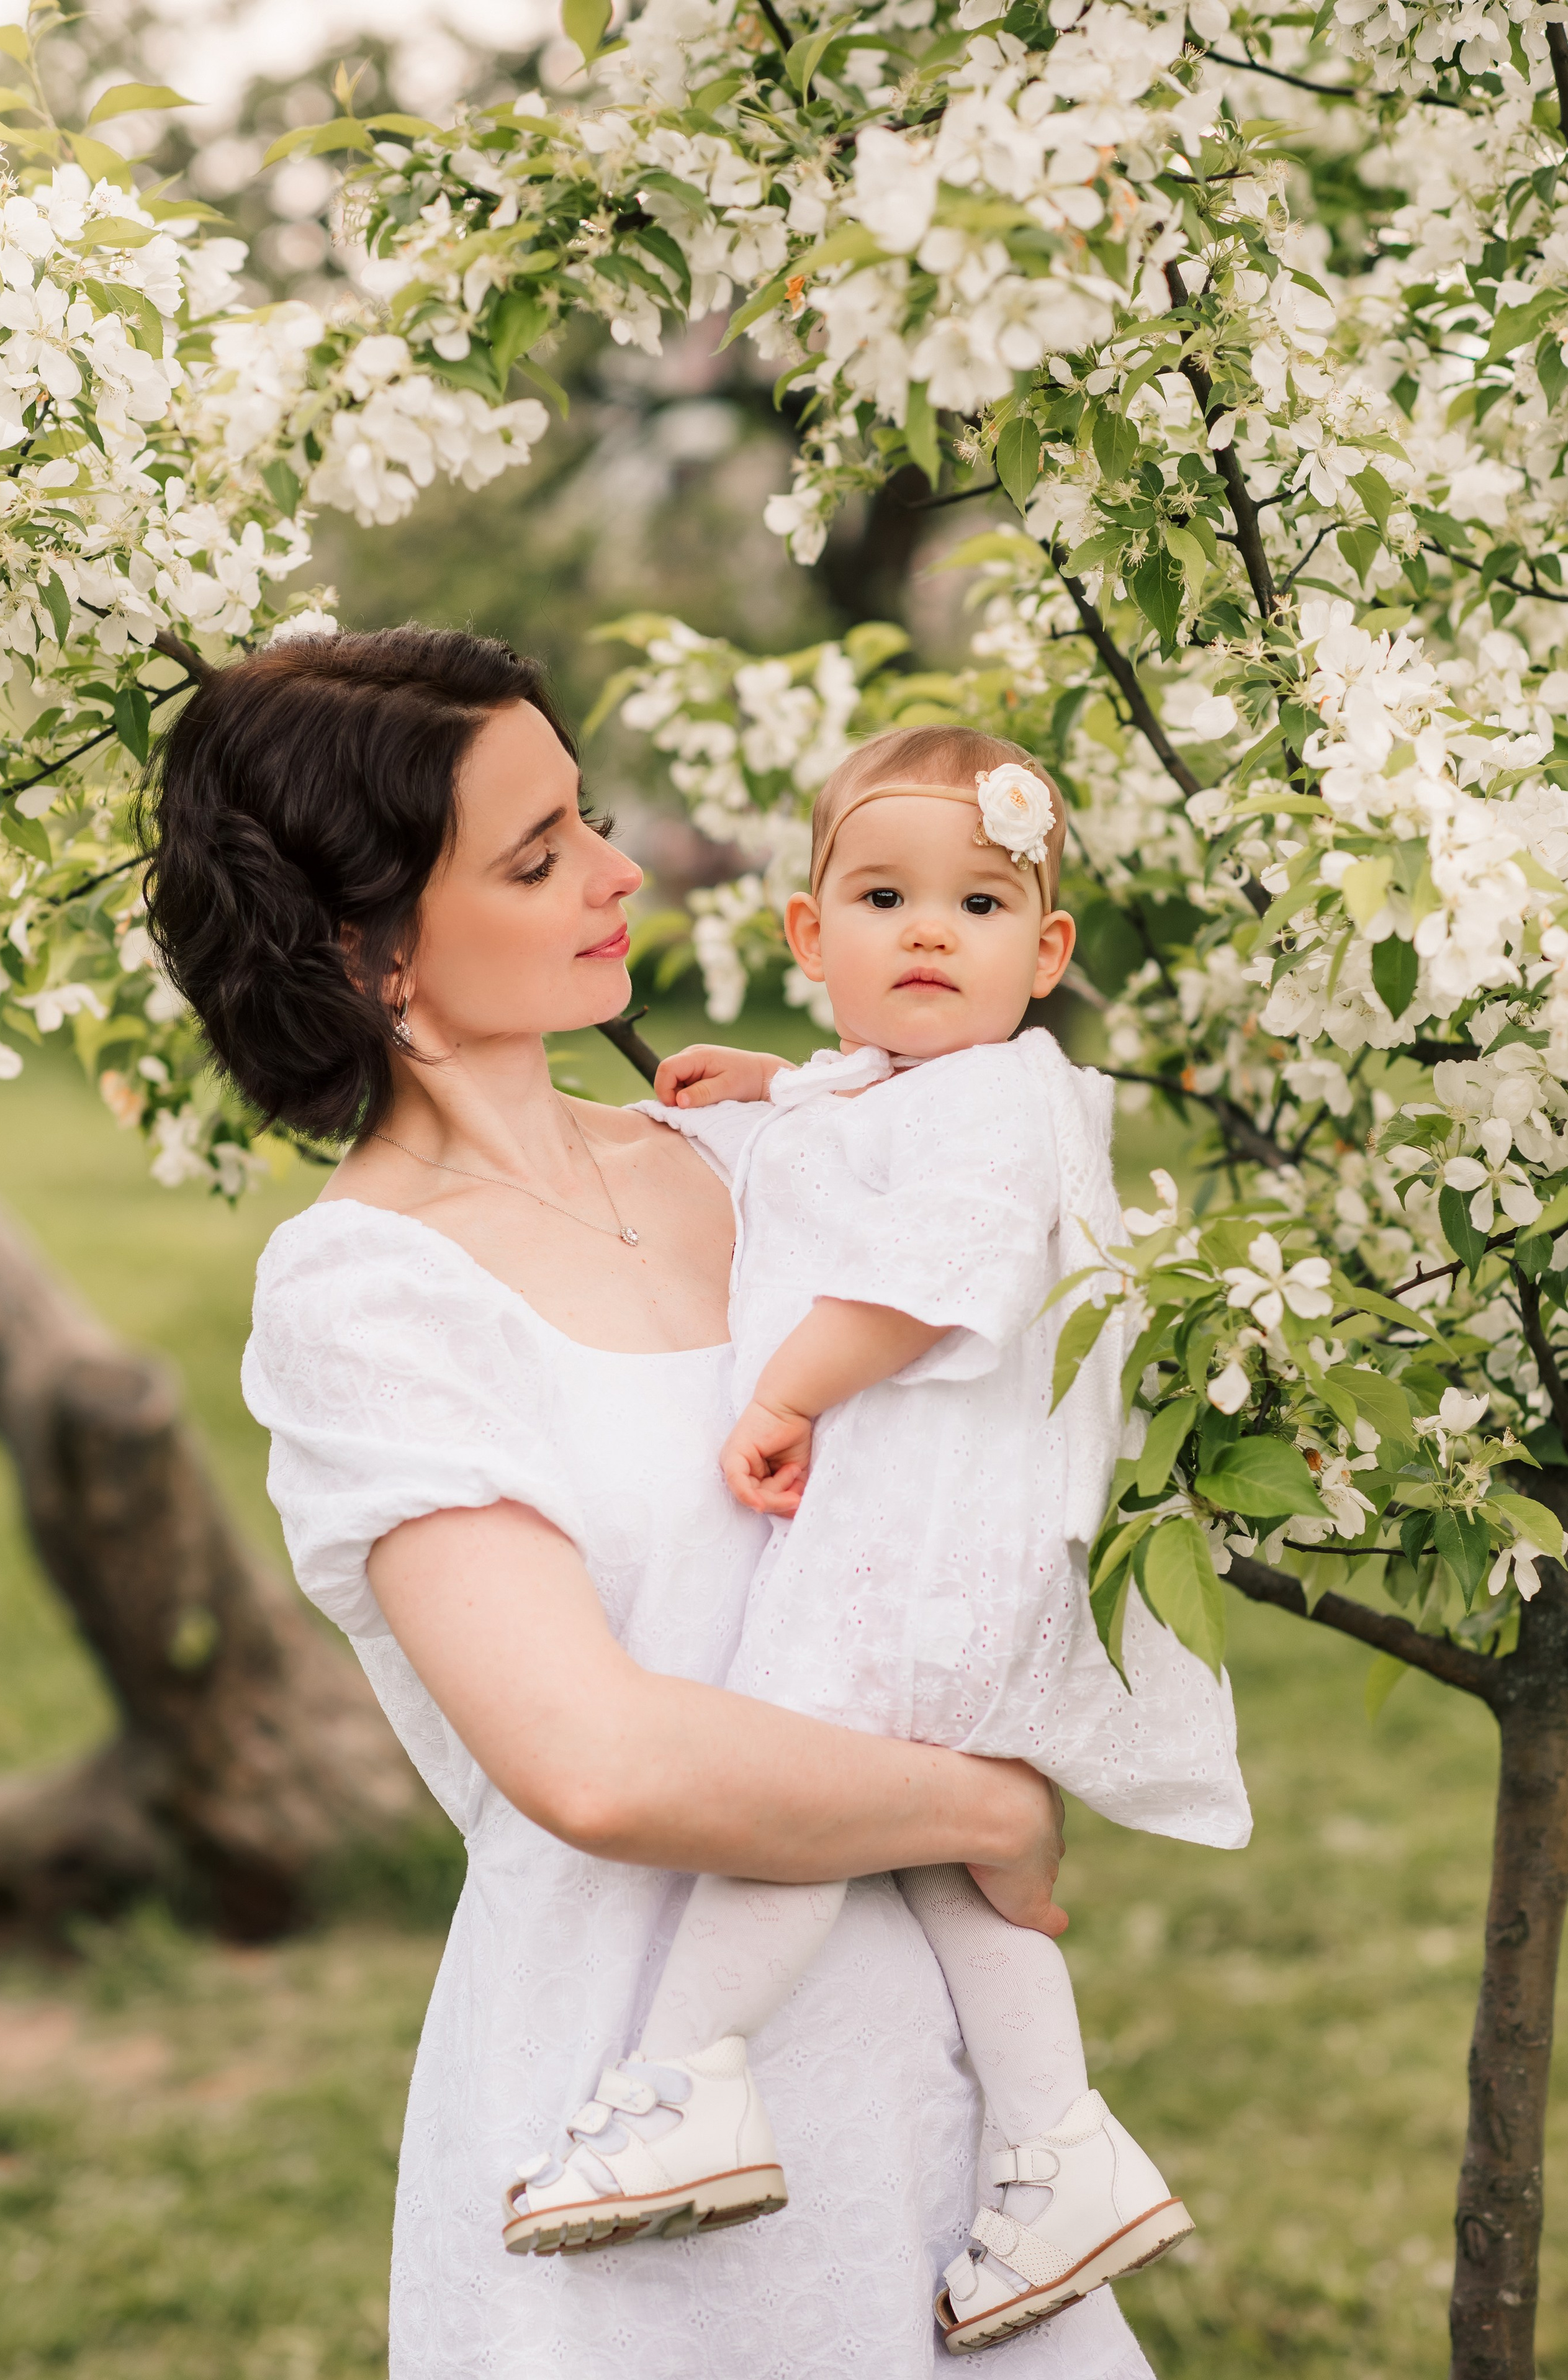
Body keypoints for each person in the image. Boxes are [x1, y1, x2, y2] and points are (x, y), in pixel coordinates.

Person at [140, 625, 1158, 2380]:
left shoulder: (742, 1153)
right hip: (638, 2144)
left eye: (587, 819)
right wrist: (982, 1806)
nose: (622, 871)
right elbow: (594, 1760)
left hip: (932, 2102)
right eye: (539, 857)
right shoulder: (369, 1295)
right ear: (367, 948)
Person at [503, 725, 1251, 2355]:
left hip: (909, 1560)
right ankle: (1055, 2145)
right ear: (808, 934)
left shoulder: (994, 1106)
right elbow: (862, 1138)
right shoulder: (903, 1086)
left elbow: (931, 1273)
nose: (930, 932)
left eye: (980, 905)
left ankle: (684, 2078)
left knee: (801, 1793)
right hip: (956, 1560)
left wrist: (786, 1393)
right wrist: (774, 1088)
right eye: (887, 894)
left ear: (1044, 955)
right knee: (932, 1865)